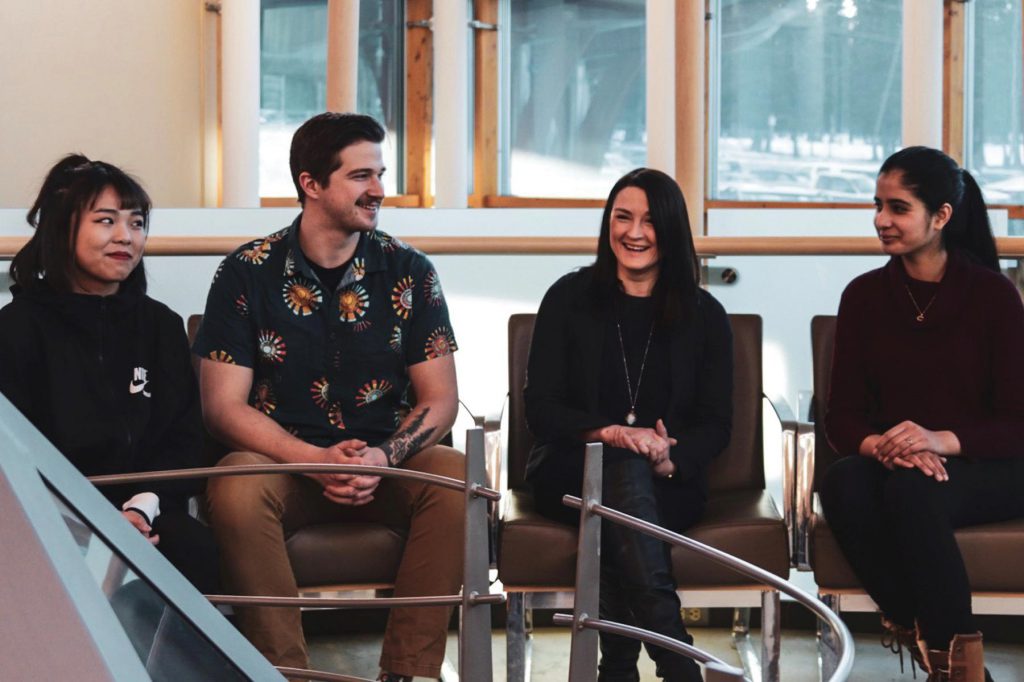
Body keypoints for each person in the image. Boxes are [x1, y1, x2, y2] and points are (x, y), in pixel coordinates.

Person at [193, 112, 464, 682]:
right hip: (279, 465)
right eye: (361, 176)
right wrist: (314, 461)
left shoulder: (409, 270)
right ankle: (285, 674)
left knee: (457, 479)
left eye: (380, 174)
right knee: (234, 485)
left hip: (385, 465)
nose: (379, 191)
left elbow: (440, 399)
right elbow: (222, 409)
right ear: (310, 183)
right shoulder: (245, 273)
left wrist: (383, 457)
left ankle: (409, 673)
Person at [821, 146, 1024, 682]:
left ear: (941, 216)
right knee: (843, 482)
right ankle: (945, 655)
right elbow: (841, 415)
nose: (881, 220)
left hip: (988, 464)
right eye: (877, 205)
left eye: (898, 208)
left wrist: (938, 440)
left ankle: (954, 665)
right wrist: (886, 447)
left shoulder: (993, 296)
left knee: (911, 490)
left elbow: (1016, 423)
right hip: (898, 464)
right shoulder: (864, 296)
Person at [523, 168, 733, 682]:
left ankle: (617, 667)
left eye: (649, 220)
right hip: (571, 473)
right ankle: (675, 654)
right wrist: (613, 434)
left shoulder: (706, 315)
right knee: (619, 470)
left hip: (667, 484)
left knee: (625, 491)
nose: (634, 232)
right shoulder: (567, 297)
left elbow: (716, 424)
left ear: (671, 229)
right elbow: (542, 410)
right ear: (607, 223)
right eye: (622, 217)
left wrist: (667, 458)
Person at [0, 154, 219, 593]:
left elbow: (185, 439)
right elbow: (16, 454)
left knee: (195, 550)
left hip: (148, 512)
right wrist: (92, 522)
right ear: (64, 229)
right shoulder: (18, 326)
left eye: (137, 223)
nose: (126, 237)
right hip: (54, 515)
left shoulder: (160, 325)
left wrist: (140, 510)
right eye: (105, 221)